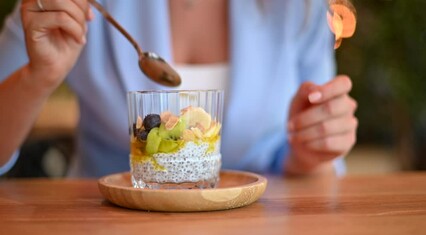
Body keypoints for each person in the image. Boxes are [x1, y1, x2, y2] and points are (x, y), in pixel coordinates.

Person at [0, 0, 357, 177]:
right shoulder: (71, 6)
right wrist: (37, 76)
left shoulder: (302, 9)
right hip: (109, 225)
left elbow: (319, 171)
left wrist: (310, 150)